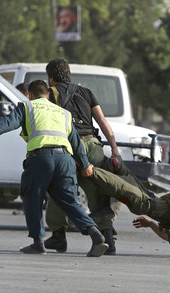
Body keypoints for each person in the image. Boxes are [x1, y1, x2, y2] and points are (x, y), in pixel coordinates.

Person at [0, 80, 108, 257]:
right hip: (65, 160)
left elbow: (8, 122)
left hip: (41, 158)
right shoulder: (64, 113)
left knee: (32, 197)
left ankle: (38, 243)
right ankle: (95, 235)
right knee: (69, 200)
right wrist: (85, 164)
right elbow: (76, 142)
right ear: (48, 95)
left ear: (29, 94)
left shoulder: (27, 107)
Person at [44, 57, 140, 255]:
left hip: (70, 147)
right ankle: (108, 241)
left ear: (51, 78)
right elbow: (103, 121)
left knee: (58, 189)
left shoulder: (50, 94)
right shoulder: (86, 92)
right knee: (96, 193)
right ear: (68, 75)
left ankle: (58, 236)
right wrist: (114, 150)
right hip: (94, 146)